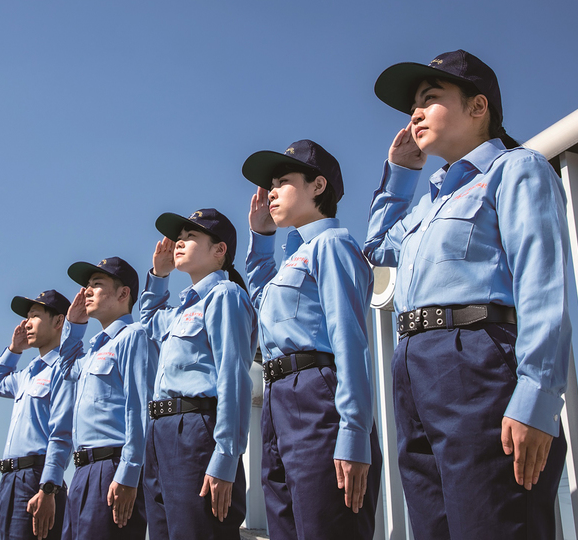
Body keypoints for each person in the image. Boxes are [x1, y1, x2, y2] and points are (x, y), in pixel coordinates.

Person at [364, 49, 571, 539]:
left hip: (477, 361)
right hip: (414, 369)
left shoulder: (514, 169)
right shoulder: (428, 203)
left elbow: (542, 283)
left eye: (429, 99)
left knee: (492, 522)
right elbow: (377, 247)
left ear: (478, 107)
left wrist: (537, 395)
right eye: (412, 106)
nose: (414, 113)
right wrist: (400, 175)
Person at [242, 139, 382, 540]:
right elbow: (261, 300)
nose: (271, 192)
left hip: (318, 395)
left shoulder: (333, 245)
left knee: (327, 525)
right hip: (278, 399)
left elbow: (350, 341)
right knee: (285, 526)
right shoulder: (291, 260)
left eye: (282, 181)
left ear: (317, 186)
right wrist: (261, 238)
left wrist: (354, 430)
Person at [139, 208, 258, 540]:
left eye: (191, 236)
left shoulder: (225, 296)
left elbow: (233, 379)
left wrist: (225, 458)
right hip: (161, 433)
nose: (180, 242)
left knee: (198, 531)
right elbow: (149, 322)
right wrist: (158, 276)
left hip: (193, 431)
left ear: (219, 251)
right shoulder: (181, 310)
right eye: (179, 237)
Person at [58, 257, 157, 540]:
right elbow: (66, 369)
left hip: (112, 468)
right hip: (83, 471)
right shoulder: (92, 350)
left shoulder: (133, 336)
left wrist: (128, 474)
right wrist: (74, 326)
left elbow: (139, 409)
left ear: (123, 293)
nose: (86, 291)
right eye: (86, 286)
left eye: (96, 285)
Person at [0, 289, 74, 540]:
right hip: (9, 479)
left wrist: (49, 488)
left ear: (58, 322)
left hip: (36, 478)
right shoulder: (27, 374)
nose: (27, 323)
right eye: (27, 317)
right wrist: (14, 350)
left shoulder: (64, 370)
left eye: (35, 316)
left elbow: (62, 433)